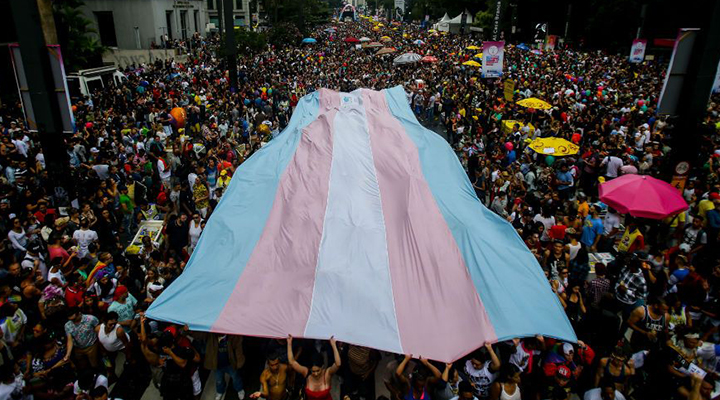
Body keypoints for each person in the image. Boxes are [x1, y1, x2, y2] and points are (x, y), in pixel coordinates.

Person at [288, 335, 341, 400]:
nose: (315, 374)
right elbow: (292, 362)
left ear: (322, 367)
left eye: (318, 370)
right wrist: (289, 343)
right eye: (313, 371)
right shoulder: (306, 372)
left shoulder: (327, 374)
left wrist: (334, 345)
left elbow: (338, 364)